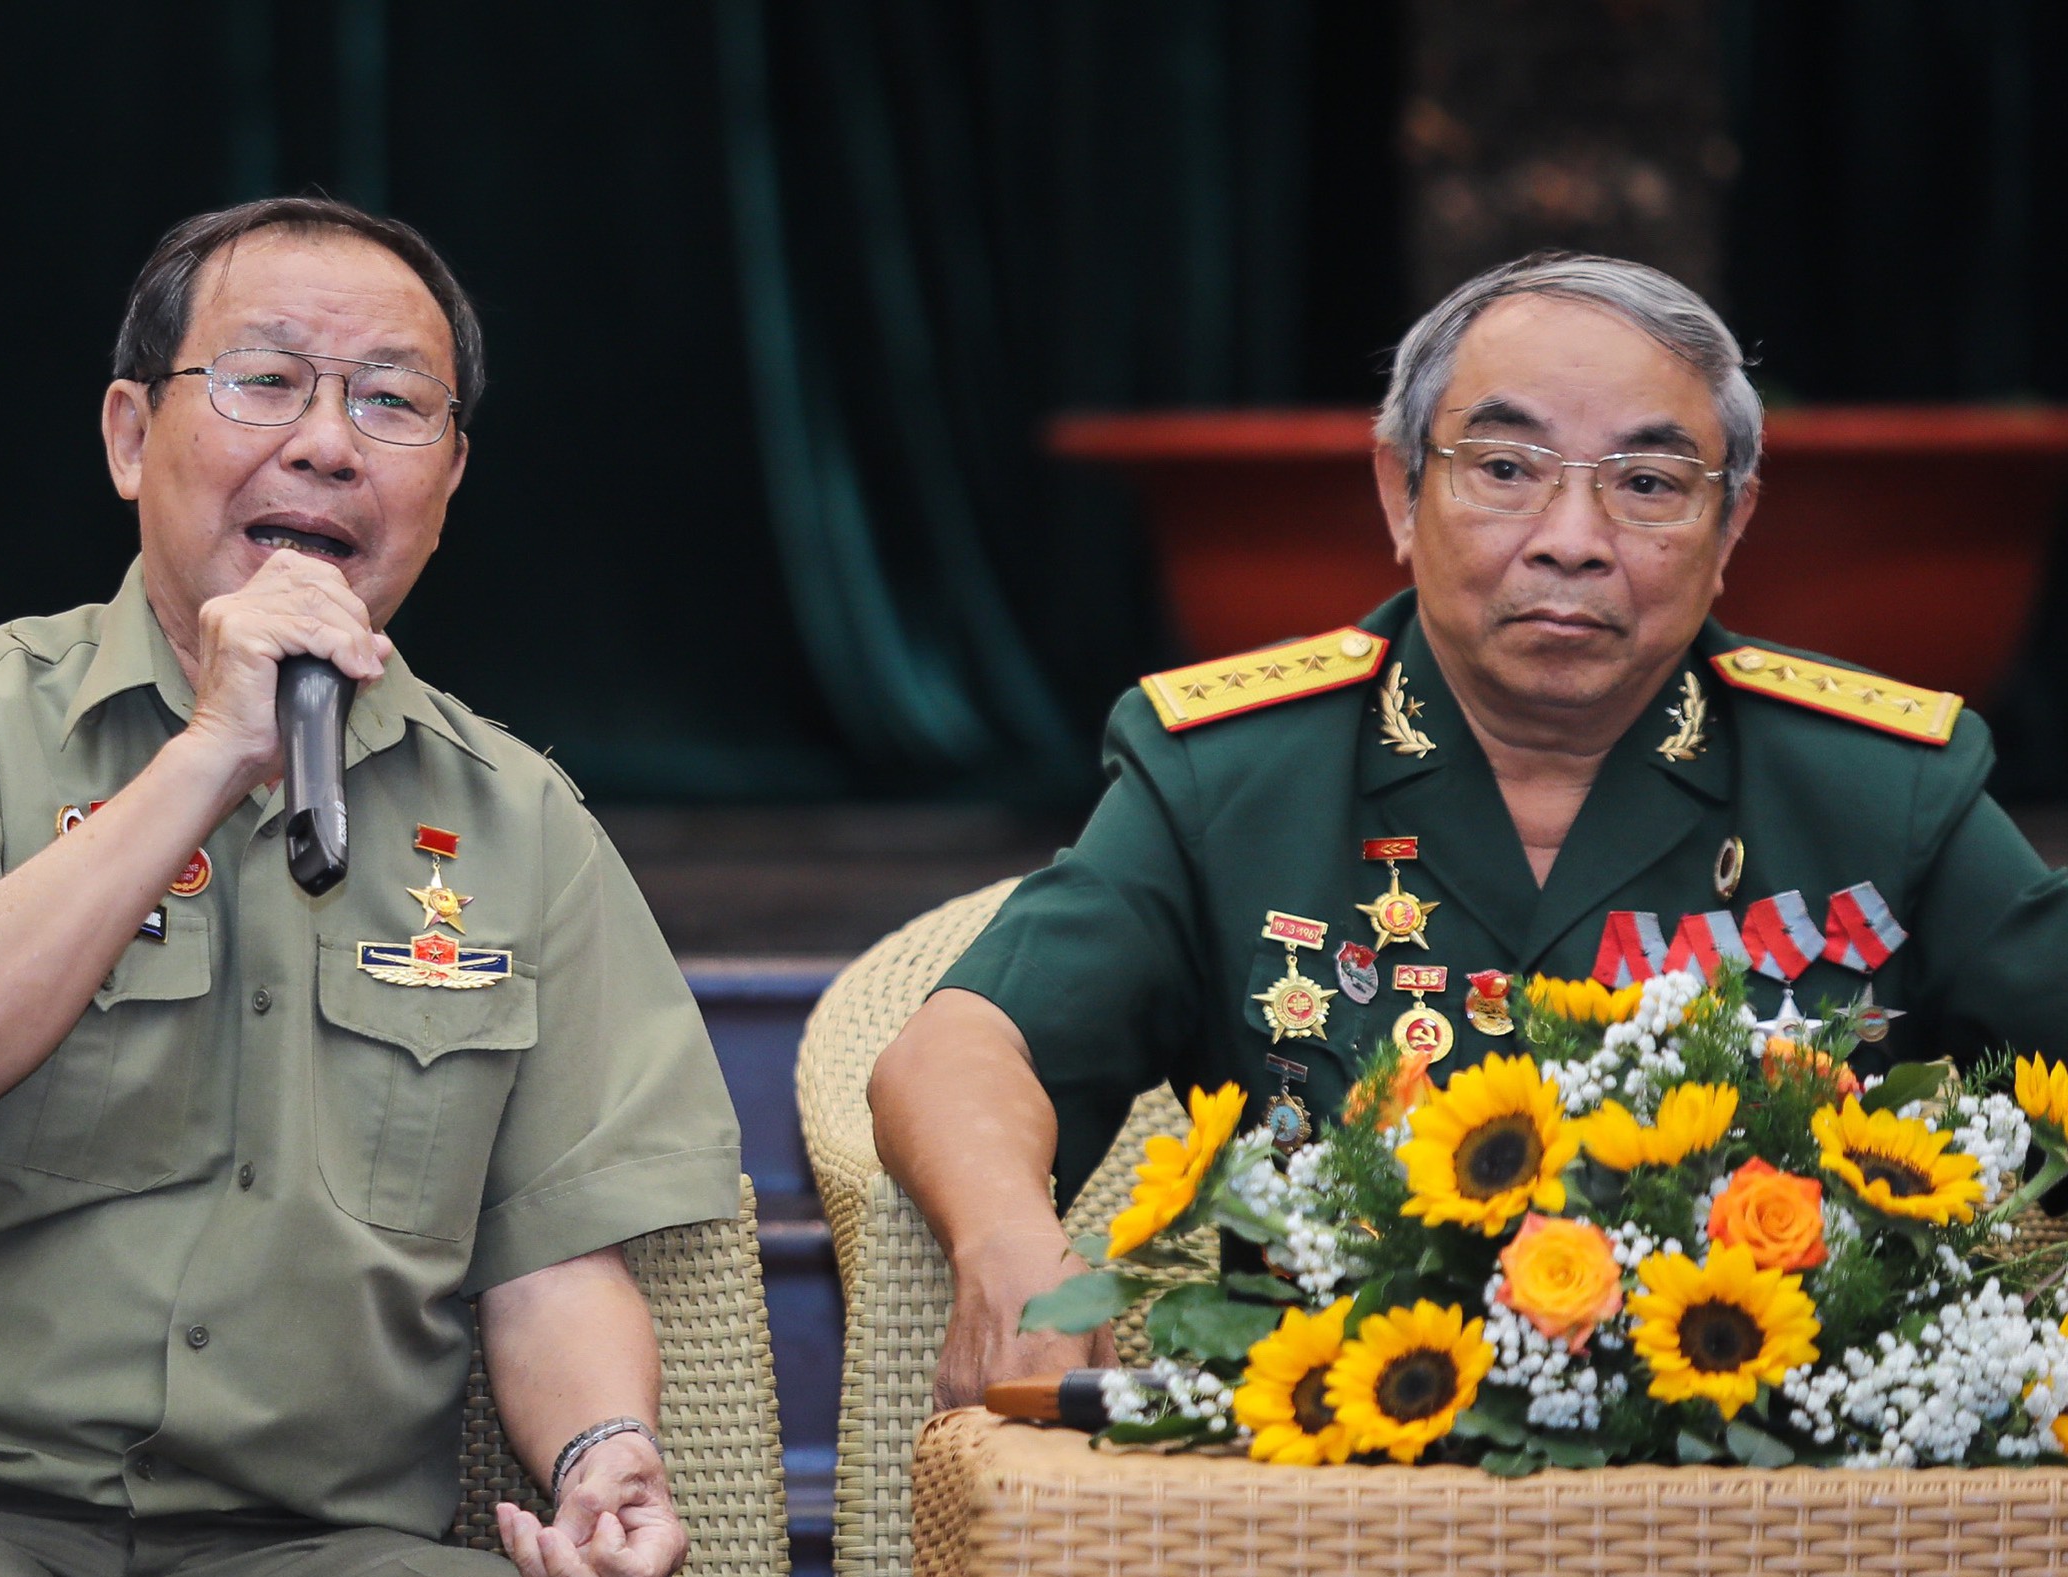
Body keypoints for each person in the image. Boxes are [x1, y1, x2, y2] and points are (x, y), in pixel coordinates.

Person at [0, 197, 741, 1577]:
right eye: (263, 379)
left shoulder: (522, 824)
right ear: (131, 437)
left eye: (390, 402)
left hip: (307, 1566)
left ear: (446, 481)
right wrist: (208, 754)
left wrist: (601, 1456)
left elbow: (554, 1256)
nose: (326, 442)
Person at [872, 251, 2068, 1411]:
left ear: (1732, 523)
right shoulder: (1233, 769)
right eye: (1504, 467)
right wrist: (1008, 1237)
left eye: (1647, 484)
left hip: (1765, 1525)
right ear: (1399, 491)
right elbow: (965, 1047)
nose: (1571, 536)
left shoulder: (1871, 785)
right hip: (1330, 1497)